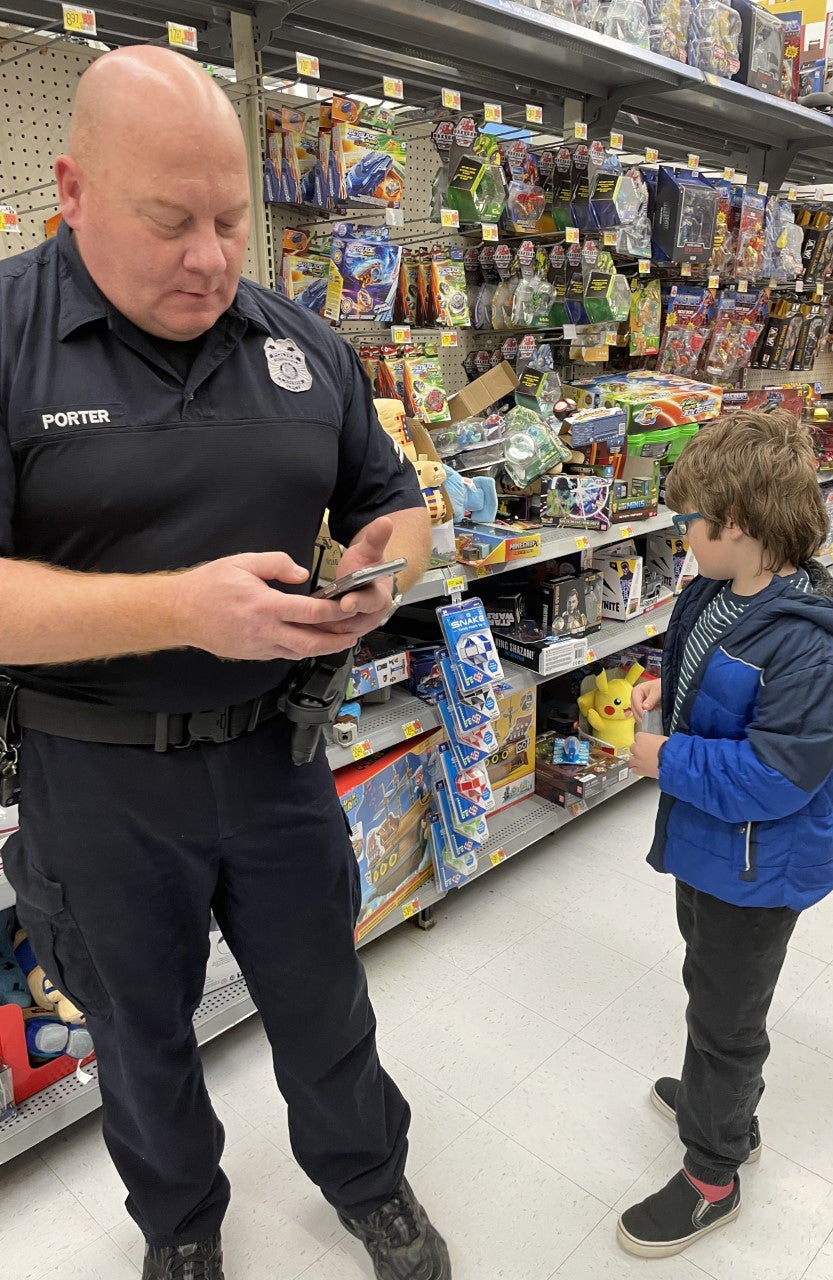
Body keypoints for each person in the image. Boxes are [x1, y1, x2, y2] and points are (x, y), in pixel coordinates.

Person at [0, 47, 451, 1280]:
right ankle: (182, 1226)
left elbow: (398, 502)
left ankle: (372, 1183)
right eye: (170, 221)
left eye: (232, 219)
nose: (210, 256)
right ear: (72, 191)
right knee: (143, 1035)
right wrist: (179, 608)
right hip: (95, 780)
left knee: (323, 1003)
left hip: (278, 754)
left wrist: (384, 570)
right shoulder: (8, 337)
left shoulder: (300, 343)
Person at [617, 411, 833, 1259]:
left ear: (736, 525)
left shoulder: (809, 647)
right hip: (714, 848)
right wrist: (667, 694)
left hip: (760, 862)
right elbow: (696, 662)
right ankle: (720, 1104)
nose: (682, 536)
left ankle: (712, 1173)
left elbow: (776, 776)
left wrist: (666, 757)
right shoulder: (717, 589)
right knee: (709, 981)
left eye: (690, 521)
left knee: (730, 1016)